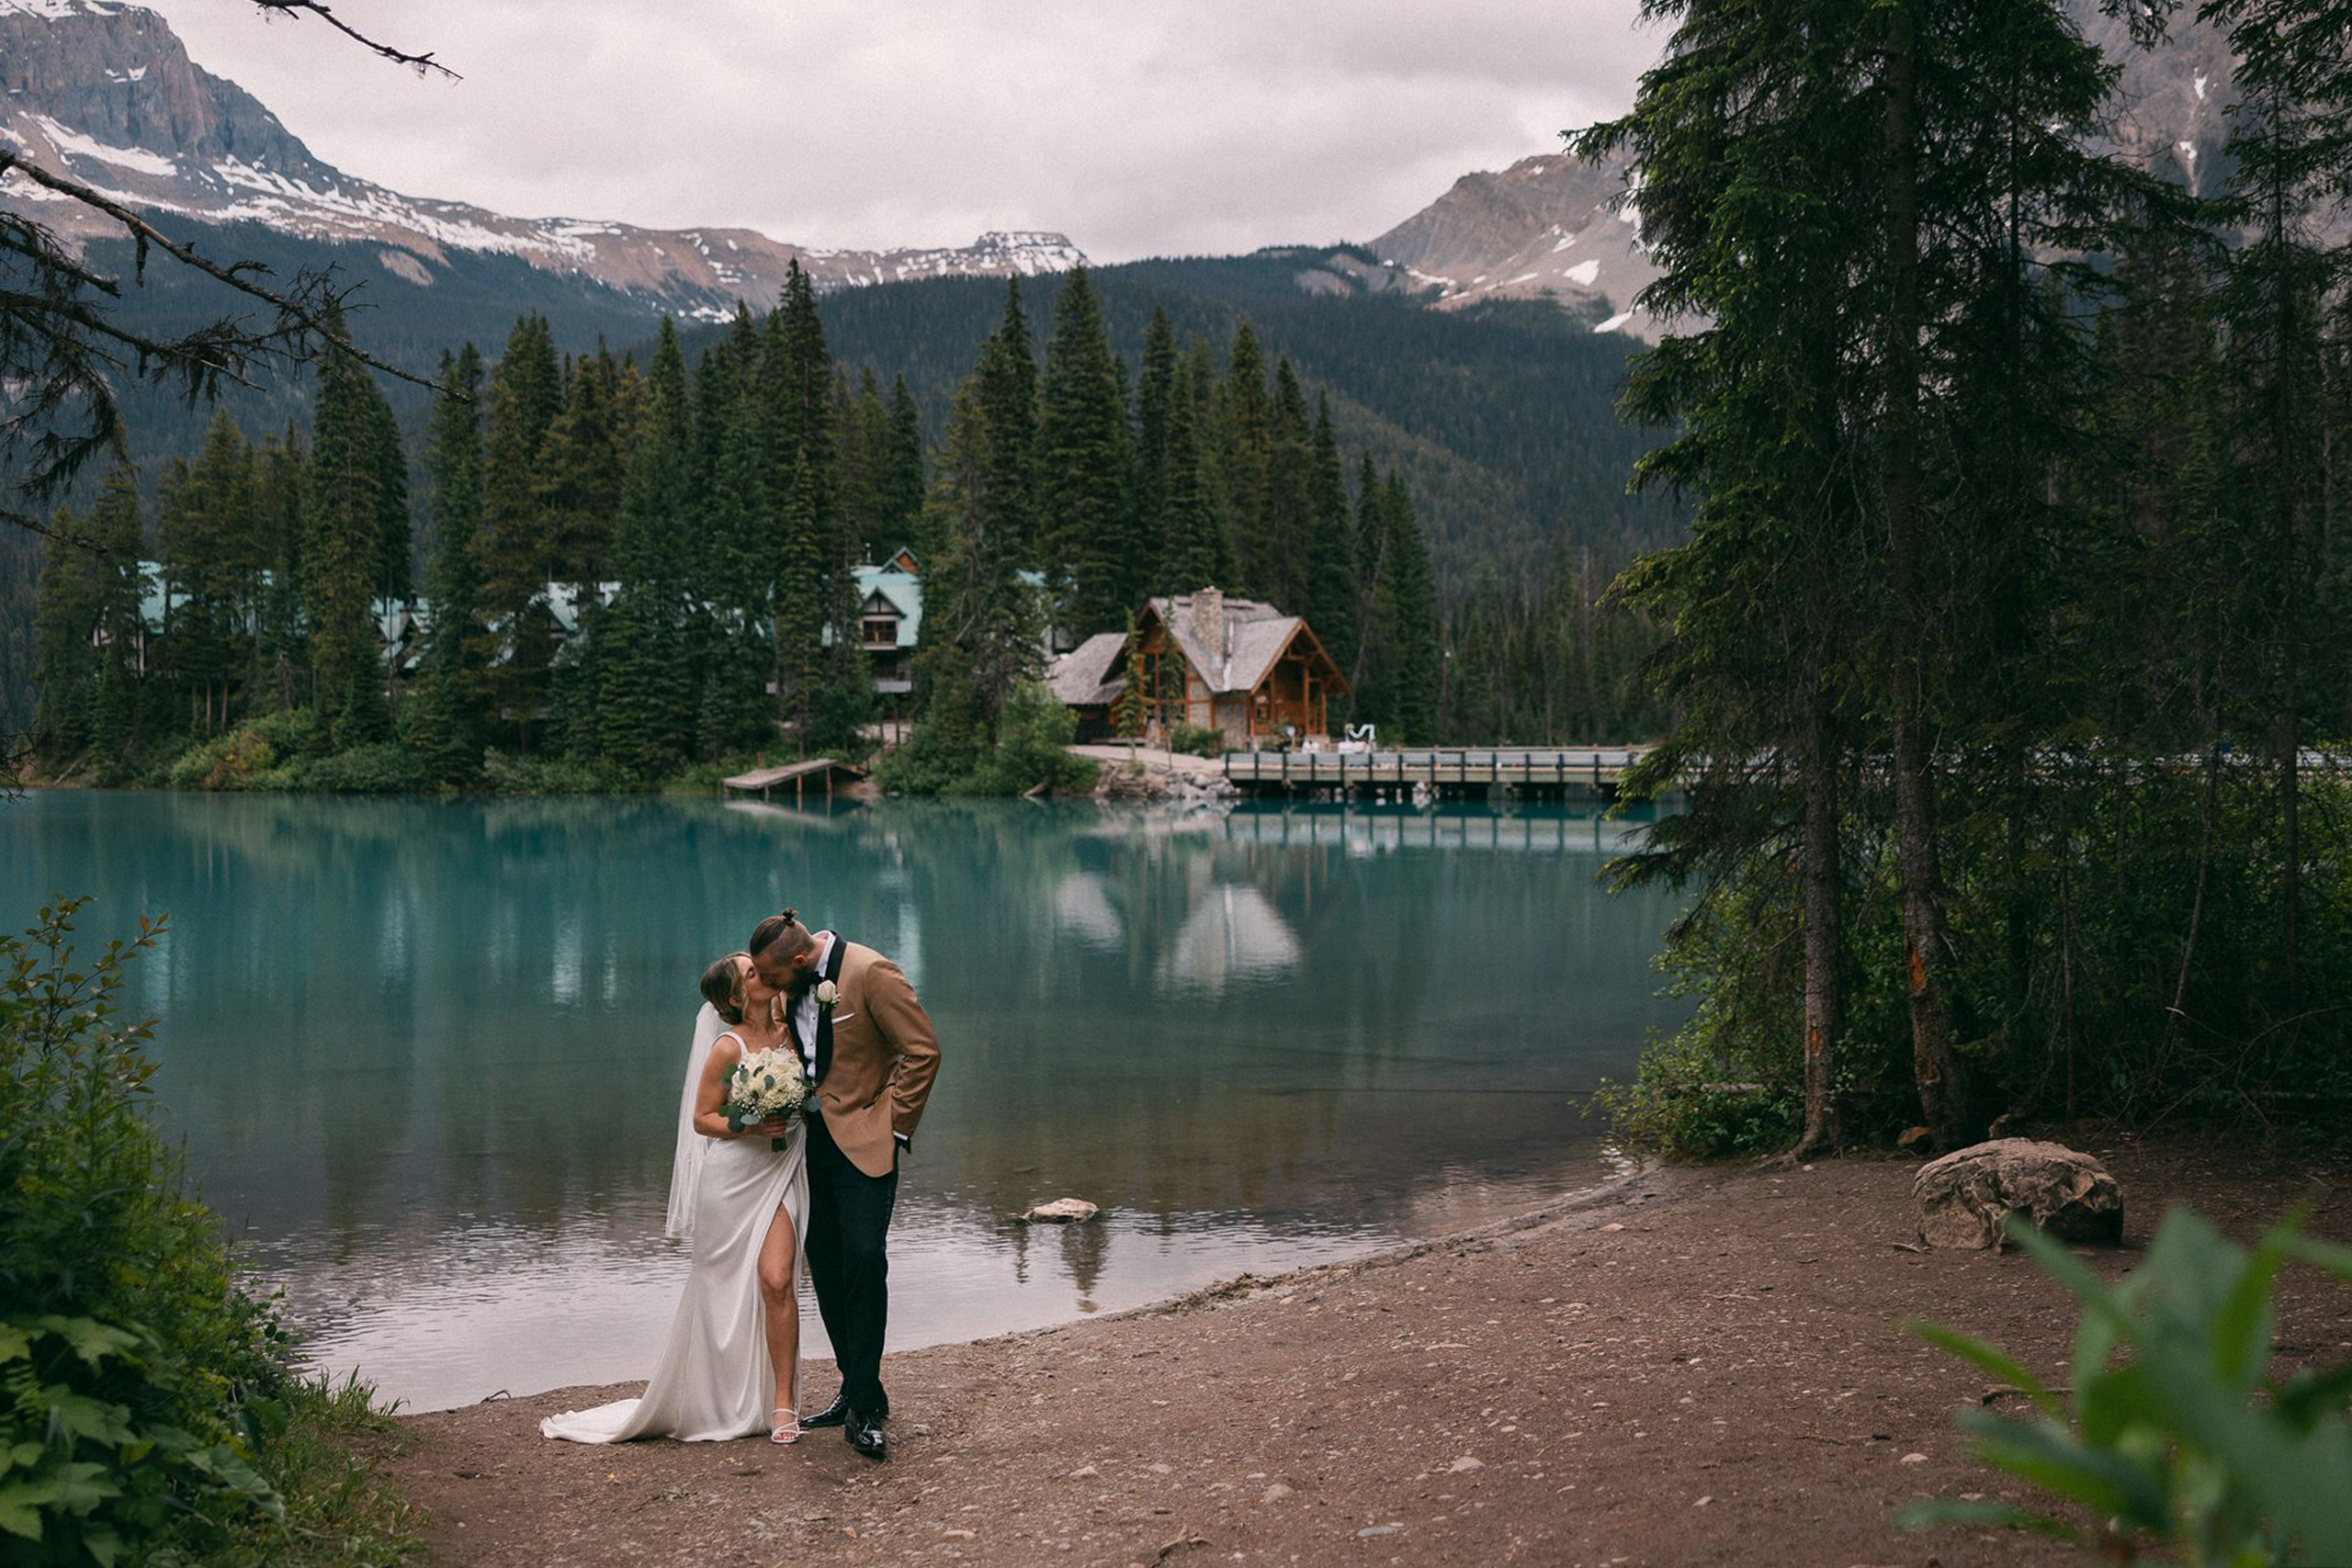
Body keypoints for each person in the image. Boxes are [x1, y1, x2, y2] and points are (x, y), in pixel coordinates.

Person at [540, 953, 809, 1445]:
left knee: (776, 1280)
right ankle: (716, 1396)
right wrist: (748, 1124)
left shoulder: (792, 1026)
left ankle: (783, 1403)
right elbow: (702, 1118)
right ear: (735, 997)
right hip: (731, 1181)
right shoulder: (727, 1049)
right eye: (753, 973)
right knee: (722, 1291)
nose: (764, 975)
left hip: (781, 1172)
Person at [749, 909, 941, 1461]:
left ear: (802, 960)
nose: (773, 989)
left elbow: (923, 1051)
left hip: (868, 1142)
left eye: (776, 977)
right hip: (807, 1147)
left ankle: (865, 1407)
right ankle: (856, 1387)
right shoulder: (794, 980)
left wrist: (895, 1126)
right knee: (827, 1269)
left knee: (864, 1260)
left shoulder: (871, 972)